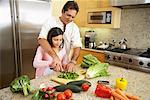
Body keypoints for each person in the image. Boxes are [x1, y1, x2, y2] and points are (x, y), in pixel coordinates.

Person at [38, 1, 82, 72]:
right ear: (62, 11)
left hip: (63, 65)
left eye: (73, 17)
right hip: (47, 65)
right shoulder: (50, 21)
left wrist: (73, 61)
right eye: (68, 15)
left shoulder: (74, 27)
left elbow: (77, 46)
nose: (70, 19)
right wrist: (55, 56)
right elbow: (41, 39)